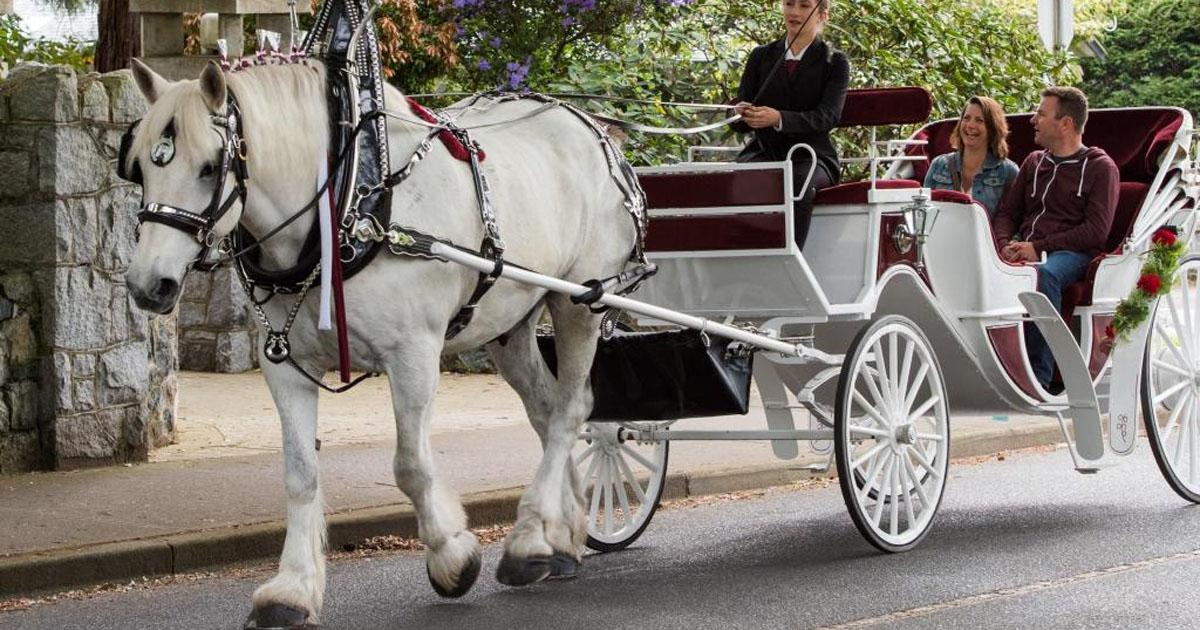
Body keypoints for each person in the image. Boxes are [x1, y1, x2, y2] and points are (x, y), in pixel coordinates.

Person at [992, 86, 1120, 391]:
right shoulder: (1034, 163)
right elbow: (1007, 213)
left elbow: (1096, 231)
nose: (1033, 120)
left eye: (1041, 114)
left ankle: (1041, 376)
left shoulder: (1101, 168)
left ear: (1066, 123)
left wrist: (1038, 247)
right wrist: (1002, 244)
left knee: (1044, 275)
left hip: (1073, 254)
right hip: (1028, 247)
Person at [731, 0, 850, 249]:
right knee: (732, 180)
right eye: (789, 4)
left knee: (797, 185)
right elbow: (741, 118)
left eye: (805, 6)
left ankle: (789, 260)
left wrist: (779, 118)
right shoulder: (761, 56)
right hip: (764, 151)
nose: (794, 12)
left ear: (822, 15)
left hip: (811, 157)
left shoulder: (835, 62)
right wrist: (741, 113)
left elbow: (828, 116)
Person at [924, 96, 1019, 217]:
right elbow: (924, 213)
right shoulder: (939, 165)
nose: (970, 125)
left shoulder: (1008, 171)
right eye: (966, 118)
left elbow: (1013, 220)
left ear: (992, 128)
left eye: (979, 120)